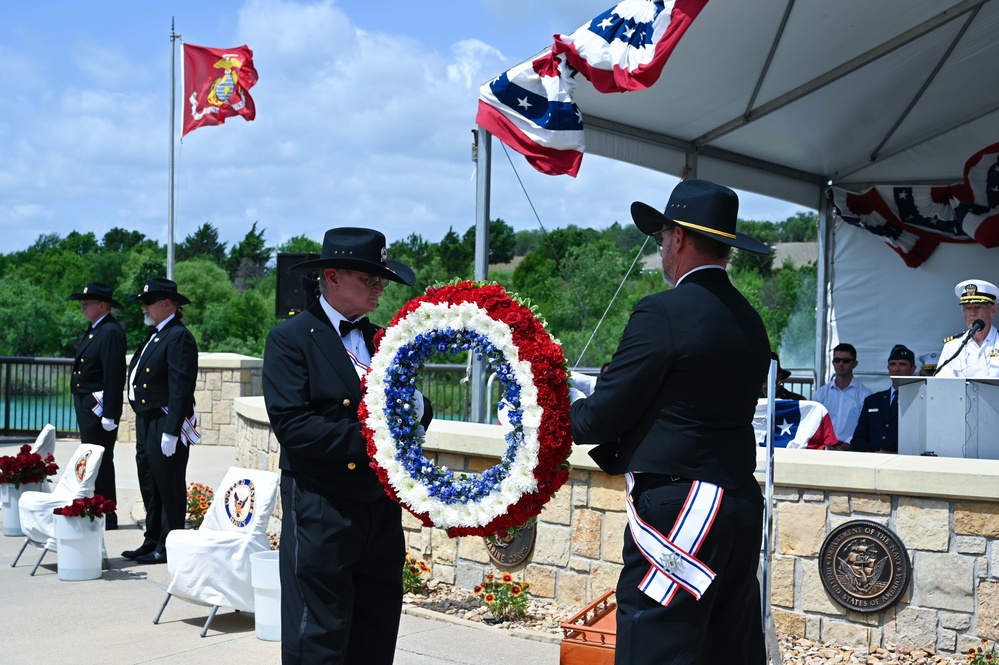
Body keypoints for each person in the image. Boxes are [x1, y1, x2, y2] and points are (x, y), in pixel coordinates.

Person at [569, 179, 770, 665]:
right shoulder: (750, 318)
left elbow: (602, 416)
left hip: (683, 510)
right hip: (738, 505)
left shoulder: (662, 311)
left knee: (655, 647)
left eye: (661, 238)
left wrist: (546, 412)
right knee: (727, 650)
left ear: (677, 238)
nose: (661, 249)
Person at [263, 227, 434, 665]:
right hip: (323, 507)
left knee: (375, 630)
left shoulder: (384, 341)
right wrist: (379, 439)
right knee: (318, 637)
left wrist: (419, 407)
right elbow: (296, 428)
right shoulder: (292, 338)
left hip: (377, 510)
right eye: (369, 278)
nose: (379, 287)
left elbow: (412, 415)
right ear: (333, 278)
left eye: (381, 279)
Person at [121, 278, 199, 564]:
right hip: (147, 420)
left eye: (149, 301)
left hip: (164, 422)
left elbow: (181, 386)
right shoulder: (157, 334)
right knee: (150, 484)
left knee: (169, 485)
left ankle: (169, 545)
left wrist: (172, 430)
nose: (144, 306)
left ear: (168, 303)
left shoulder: (178, 336)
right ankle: (152, 538)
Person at [68, 282, 126, 529]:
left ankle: (107, 513)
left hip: (98, 408)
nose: (82, 307)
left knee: (100, 460)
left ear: (102, 306)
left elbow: (114, 374)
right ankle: (97, 507)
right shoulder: (96, 328)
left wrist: (110, 413)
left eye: (87, 303)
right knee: (92, 458)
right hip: (87, 404)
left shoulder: (110, 331)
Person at [849, 344, 917, 453]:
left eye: (902, 364)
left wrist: (893, 455)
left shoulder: (919, 400)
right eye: (893, 364)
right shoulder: (872, 400)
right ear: (888, 368)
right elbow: (858, 438)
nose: (897, 369)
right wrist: (873, 455)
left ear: (913, 368)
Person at [935, 279, 999, 377]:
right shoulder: (953, 347)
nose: (972, 313)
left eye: (978, 307)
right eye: (967, 308)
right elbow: (944, 384)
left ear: (993, 310)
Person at [812, 343, 871, 445]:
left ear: (855, 364)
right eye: (837, 360)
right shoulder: (820, 394)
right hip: (825, 447)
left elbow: (865, 427)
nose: (841, 364)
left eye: (846, 361)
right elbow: (813, 423)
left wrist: (848, 444)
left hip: (852, 448)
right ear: (833, 363)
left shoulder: (865, 395)